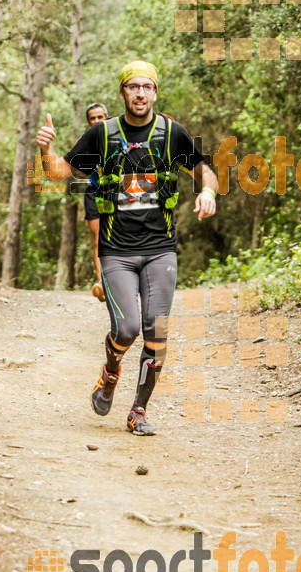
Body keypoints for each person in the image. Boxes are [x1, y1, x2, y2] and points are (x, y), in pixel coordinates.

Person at [36, 60, 218, 436]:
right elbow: (59, 173)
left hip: (160, 248)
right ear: (123, 92)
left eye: (146, 87)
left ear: (155, 92)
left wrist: (207, 191)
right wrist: (45, 150)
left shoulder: (172, 133)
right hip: (116, 250)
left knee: (157, 331)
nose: (139, 93)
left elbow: (204, 168)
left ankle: (139, 410)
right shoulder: (102, 134)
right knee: (128, 328)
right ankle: (110, 372)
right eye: (132, 87)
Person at [84, 102, 109, 302]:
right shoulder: (85, 141)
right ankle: (102, 284)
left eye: (100, 117)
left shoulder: (118, 138)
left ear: (106, 118)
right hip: (94, 191)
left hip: (115, 191)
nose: (96, 121)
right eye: (92, 118)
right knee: (97, 238)